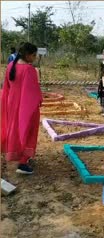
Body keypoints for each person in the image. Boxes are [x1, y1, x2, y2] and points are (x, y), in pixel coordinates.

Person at [1, 42, 42, 175]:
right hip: (25, 105)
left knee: (15, 130)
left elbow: (6, 87)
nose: (35, 58)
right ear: (28, 55)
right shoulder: (29, 70)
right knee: (28, 130)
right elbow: (32, 92)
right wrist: (39, 100)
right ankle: (23, 162)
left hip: (11, 103)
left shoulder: (10, 66)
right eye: (34, 55)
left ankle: (18, 155)